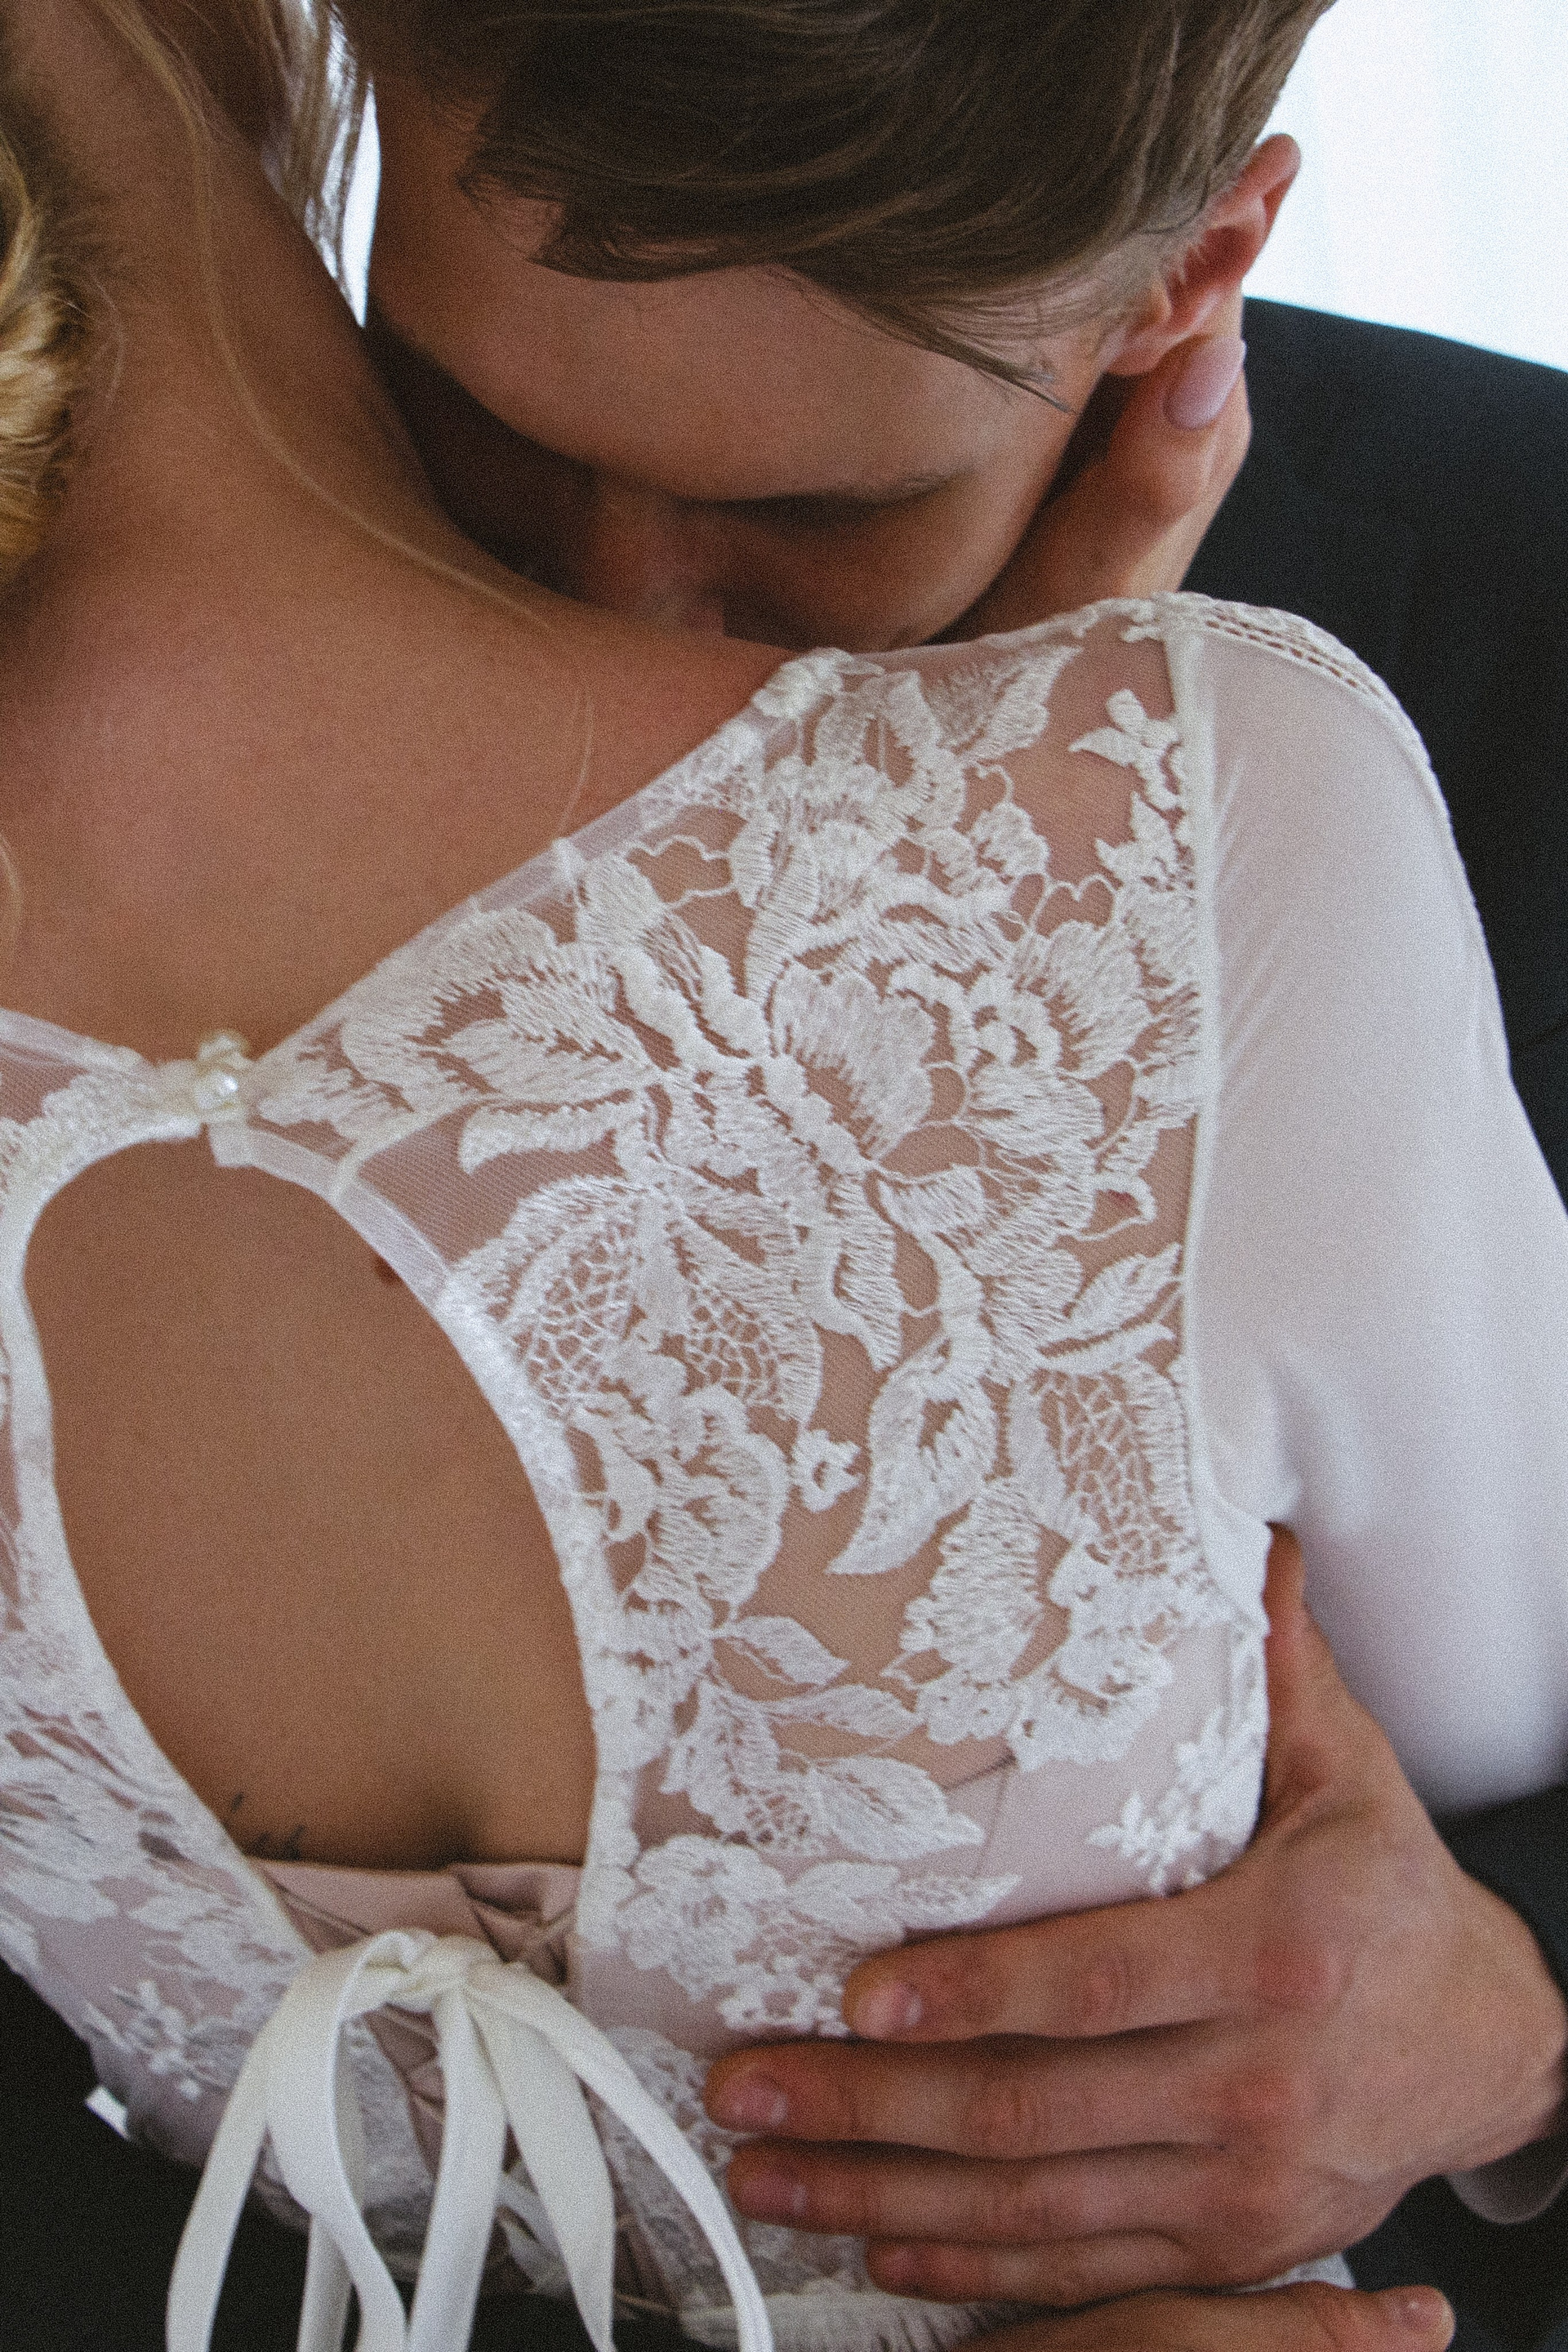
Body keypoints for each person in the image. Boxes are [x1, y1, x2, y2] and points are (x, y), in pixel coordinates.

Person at [0, 8, 1559, 2352]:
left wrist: (1528, 2029)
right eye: (492, 437)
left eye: (829, 518)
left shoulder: (1492, 616)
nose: (630, 607)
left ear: (1190, 272)